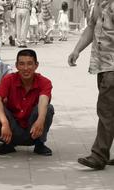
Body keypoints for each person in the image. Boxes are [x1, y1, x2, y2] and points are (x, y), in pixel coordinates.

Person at [68, 0, 114, 170]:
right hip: (101, 66)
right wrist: (77, 50)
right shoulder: (97, 4)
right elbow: (91, 28)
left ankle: (99, 155)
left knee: (106, 111)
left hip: (112, 67)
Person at [0, 49, 54, 155]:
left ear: (36, 65)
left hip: (33, 130)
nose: (25, 68)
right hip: (12, 130)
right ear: (16, 65)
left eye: (29, 64)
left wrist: (41, 119)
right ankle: (7, 144)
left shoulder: (44, 82)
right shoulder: (9, 79)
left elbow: (43, 100)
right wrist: (4, 123)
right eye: (22, 64)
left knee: (48, 108)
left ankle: (39, 144)